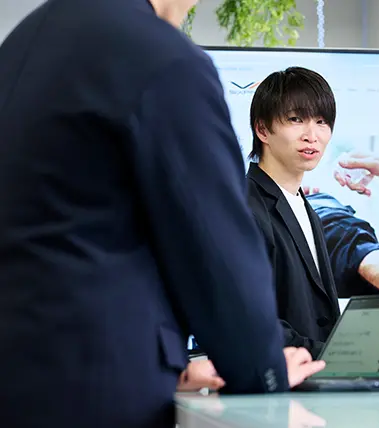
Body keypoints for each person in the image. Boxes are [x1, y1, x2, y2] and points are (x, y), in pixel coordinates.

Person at [0, 1, 323, 427]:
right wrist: (263, 371)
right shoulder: (162, 59)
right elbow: (216, 254)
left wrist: (174, 370)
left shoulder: (23, 43)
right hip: (99, 391)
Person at [246, 67, 341, 359]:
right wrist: (329, 356)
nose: (312, 136)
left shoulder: (304, 206)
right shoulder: (244, 205)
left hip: (316, 376)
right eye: (296, 119)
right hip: (278, 375)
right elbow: (250, 315)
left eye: (321, 122)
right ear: (262, 130)